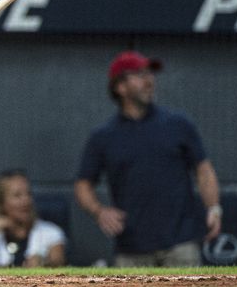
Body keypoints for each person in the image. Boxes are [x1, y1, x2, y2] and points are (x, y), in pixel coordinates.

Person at [74, 51, 222, 267]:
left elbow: (203, 169)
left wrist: (214, 208)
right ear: (120, 87)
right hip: (131, 250)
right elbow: (83, 184)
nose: (149, 80)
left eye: (149, 74)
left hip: (180, 245)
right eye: (139, 75)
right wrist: (99, 211)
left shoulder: (178, 124)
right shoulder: (103, 136)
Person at [0, 169, 66, 267]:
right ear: (1, 203)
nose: (26, 201)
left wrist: (43, 264)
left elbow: (59, 265)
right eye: (17, 196)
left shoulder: (50, 231)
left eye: (28, 194)